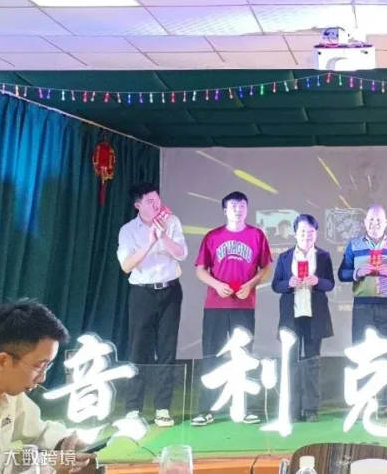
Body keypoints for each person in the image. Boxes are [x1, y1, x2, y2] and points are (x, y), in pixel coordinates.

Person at [0, 300, 94, 474]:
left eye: (47, 367)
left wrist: (66, 443)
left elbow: (40, 431)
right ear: (2, 361)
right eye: (38, 366)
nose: (42, 378)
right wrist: (48, 469)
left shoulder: (10, 398)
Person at [192, 191, 272, 427]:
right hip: (216, 305)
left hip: (244, 305)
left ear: (247, 209)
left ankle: (244, 408)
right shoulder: (213, 236)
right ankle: (206, 409)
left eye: (242, 205)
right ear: (225, 210)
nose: (238, 209)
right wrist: (217, 285)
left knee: (244, 355)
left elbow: (265, 268)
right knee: (212, 354)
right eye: (233, 206)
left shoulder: (256, 235)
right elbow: (200, 269)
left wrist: (251, 284)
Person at [116, 182, 188, 428]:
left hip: (170, 291)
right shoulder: (128, 230)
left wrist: (163, 235)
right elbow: (126, 265)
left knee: (167, 350)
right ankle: (133, 408)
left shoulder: (172, 222)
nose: (156, 204)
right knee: (139, 349)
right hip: (142, 294)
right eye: (150, 201)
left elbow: (182, 253)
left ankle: (162, 407)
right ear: (138, 205)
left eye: (157, 200)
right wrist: (149, 241)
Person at [338, 205, 387, 421]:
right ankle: (362, 402)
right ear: (365, 222)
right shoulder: (354, 245)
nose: (374, 223)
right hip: (362, 305)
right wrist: (357, 272)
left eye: (379, 220)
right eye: (371, 220)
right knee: (362, 354)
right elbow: (342, 273)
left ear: (386, 222)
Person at [271, 214, 335, 422]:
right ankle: (292, 408)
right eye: (302, 231)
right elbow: (276, 285)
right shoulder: (285, 257)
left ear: (316, 233)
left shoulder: (323, 256)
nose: (306, 236)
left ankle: (310, 409)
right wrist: (289, 283)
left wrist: (317, 281)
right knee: (291, 362)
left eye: (310, 232)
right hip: (292, 316)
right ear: (295, 233)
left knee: (312, 362)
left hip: (314, 316)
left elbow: (330, 284)